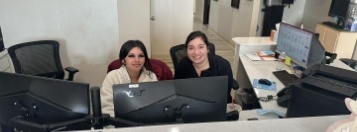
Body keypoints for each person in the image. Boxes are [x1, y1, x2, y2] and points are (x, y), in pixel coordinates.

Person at [174, 31, 235, 103]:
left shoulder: (223, 65)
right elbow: (177, 90)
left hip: (216, 106)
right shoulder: (183, 65)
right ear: (186, 50)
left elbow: (224, 95)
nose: (196, 52)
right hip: (190, 106)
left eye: (200, 47)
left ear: (207, 48)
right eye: (191, 48)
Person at [101, 40, 158, 117]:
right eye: (131, 56)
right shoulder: (112, 77)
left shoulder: (151, 77)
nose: (137, 60)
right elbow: (107, 107)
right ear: (123, 60)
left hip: (145, 121)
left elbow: (156, 105)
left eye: (141, 56)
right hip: (118, 123)